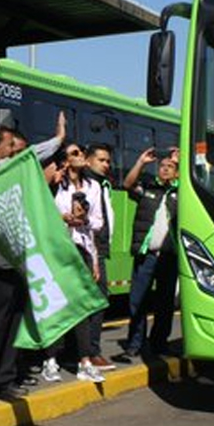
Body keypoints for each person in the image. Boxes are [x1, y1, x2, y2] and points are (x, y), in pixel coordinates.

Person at [0, 113, 65, 400]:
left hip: (14, 258)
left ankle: (4, 379)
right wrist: (57, 140)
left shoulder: (4, 167)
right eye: (10, 146)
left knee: (13, 322)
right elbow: (31, 157)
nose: (14, 152)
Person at [44, 142, 105, 383]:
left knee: (81, 306)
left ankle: (85, 362)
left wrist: (95, 260)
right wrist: (63, 218)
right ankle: (50, 360)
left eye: (81, 152)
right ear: (65, 160)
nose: (81, 156)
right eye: (75, 153)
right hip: (58, 250)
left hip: (82, 249)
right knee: (57, 304)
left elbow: (98, 223)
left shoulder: (93, 187)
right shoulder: (56, 186)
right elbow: (43, 216)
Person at [116, 148, 179, 361]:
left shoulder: (182, 194)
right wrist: (141, 162)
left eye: (170, 167)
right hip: (146, 256)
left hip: (169, 257)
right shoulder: (148, 188)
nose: (165, 169)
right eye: (162, 166)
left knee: (165, 303)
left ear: (177, 172)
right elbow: (127, 184)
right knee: (137, 301)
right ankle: (135, 344)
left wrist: (183, 163)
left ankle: (159, 343)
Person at [83, 143, 116, 371]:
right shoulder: (86, 184)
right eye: (101, 160)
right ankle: (91, 352)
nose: (106, 165)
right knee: (97, 299)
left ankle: (86, 351)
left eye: (108, 161)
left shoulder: (102, 184)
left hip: (98, 248)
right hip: (89, 248)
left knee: (96, 300)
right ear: (88, 160)